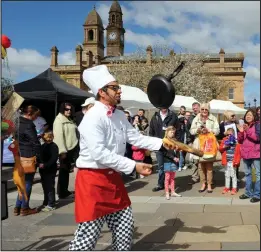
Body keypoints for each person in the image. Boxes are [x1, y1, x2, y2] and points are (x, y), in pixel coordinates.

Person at [69, 65, 176, 251]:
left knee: (125, 229)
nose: (119, 91)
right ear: (102, 92)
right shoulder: (92, 117)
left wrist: (162, 143)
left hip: (112, 179)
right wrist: (134, 165)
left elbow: (135, 138)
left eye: (119, 87)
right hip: (92, 182)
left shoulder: (118, 115)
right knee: (87, 239)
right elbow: (99, 153)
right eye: (114, 88)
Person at [14, 105, 41, 216]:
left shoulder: (17, 122)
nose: (36, 118)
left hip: (18, 154)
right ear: (30, 114)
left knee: (21, 181)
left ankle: (17, 207)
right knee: (27, 182)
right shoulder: (29, 124)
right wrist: (40, 156)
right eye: (36, 115)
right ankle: (25, 208)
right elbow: (35, 142)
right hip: (28, 155)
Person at [190, 103, 220, 193]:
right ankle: (203, 183)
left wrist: (209, 130)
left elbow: (217, 130)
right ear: (200, 110)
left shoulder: (213, 118)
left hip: (209, 144)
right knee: (200, 166)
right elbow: (191, 131)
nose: (204, 111)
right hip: (199, 144)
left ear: (208, 110)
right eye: (202, 109)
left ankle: (209, 184)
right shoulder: (196, 118)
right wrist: (198, 130)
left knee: (209, 166)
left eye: (206, 109)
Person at [149, 107, 179, 192]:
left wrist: (177, 142)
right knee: (161, 166)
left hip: (170, 146)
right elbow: (151, 131)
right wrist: (152, 143)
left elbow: (178, 129)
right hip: (159, 146)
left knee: (171, 166)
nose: (163, 107)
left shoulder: (173, 116)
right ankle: (160, 184)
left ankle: (170, 184)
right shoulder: (155, 116)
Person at [53, 102, 78, 199]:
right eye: (66, 109)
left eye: (70, 109)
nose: (69, 111)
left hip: (72, 147)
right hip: (66, 149)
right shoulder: (59, 120)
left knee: (66, 170)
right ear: (62, 109)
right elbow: (58, 137)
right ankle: (62, 192)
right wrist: (62, 151)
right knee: (63, 171)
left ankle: (64, 191)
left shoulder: (69, 119)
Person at [237, 109, 260, 203]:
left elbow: (258, 138)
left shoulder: (257, 125)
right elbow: (240, 140)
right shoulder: (244, 126)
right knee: (248, 174)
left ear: (254, 116)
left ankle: (257, 194)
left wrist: (248, 131)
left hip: (255, 153)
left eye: (250, 115)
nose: (248, 116)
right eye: (247, 115)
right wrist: (242, 132)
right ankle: (248, 193)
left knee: (258, 174)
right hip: (246, 153)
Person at [39, 130, 59, 211]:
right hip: (43, 169)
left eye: (48, 137)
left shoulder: (53, 146)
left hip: (50, 169)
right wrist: (39, 163)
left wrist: (45, 164)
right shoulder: (43, 145)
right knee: (45, 186)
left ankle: (51, 204)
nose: (46, 139)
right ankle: (46, 201)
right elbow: (40, 156)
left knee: (50, 186)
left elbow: (54, 158)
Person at [219, 128, 241, 195]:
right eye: (228, 134)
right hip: (226, 161)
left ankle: (234, 188)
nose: (229, 136)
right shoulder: (224, 140)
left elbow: (239, 153)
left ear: (233, 134)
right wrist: (224, 146)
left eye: (230, 134)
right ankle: (227, 187)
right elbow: (220, 149)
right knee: (227, 175)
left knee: (233, 175)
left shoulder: (236, 142)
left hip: (233, 161)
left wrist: (237, 161)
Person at [163, 126, 181, 199]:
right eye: (171, 132)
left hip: (174, 161)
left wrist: (178, 156)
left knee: (173, 178)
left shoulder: (175, 140)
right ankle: (167, 192)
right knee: (167, 178)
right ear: (167, 132)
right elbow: (165, 152)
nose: (172, 134)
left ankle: (173, 191)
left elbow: (177, 150)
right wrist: (173, 158)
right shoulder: (165, 141)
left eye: (173, 132)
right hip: (167, 161)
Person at [188, 102, 201, 184]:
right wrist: (189, 141)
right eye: (193, 108)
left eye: (196, 108)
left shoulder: (205, 116)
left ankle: (206, 177)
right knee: (195, 161)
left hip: (205, 141)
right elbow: (188, 130)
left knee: (206, 159)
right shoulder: (191, 118)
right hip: (195, 141)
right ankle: (195, 177)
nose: (194, 109)